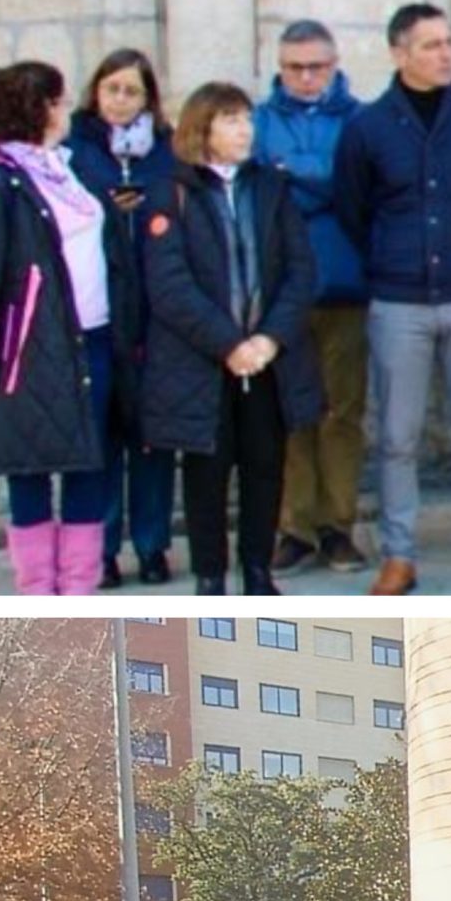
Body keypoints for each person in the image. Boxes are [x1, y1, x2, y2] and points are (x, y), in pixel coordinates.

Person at [331, 2, 451, 597]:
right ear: (398, 53)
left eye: (448, 42)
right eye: (430, 45)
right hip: (399, 301)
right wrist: (394, 259)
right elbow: (353, 210)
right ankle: (400, 554)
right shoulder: (367, 127)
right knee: (396, 435)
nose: (445, 54)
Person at [0, 63, 115, 595]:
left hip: (93, 335)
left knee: (89, 458)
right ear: (36, 109)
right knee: (30, 466)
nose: (66, 111)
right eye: (58, 102)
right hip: (30, 346)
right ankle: (38, 590)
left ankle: (80, 586)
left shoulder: (63, 166)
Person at [141, 83, 323, 596]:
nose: (244, 129)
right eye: (230, 120)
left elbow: (300, 270)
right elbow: (170, 284)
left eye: (246, 118)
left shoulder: (270, 187)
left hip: (267, 359)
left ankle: (258, 570)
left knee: (265, 465)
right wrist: (229, 343)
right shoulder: (170, 191)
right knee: (206, 471)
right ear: (202, 129)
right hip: (203, 362)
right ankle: (210, 575)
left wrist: (268, 340)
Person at [62, 49, 180, 589]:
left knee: (152, 437)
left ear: (148, 99)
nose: (120, 100)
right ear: (95, 93)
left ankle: (153, 545)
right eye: (112, 88)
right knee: (102, 436)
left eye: (132, 91)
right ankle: (101, 549)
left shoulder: (166, 153)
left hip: (157, 313)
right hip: (99, 313)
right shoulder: (74, 153)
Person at [256, 21, 371, 575]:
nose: (305, 77)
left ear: (335, 64)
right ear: (279, 67)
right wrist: (318, 181)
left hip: (347, 282)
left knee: (343, 412)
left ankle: (338, 526)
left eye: (316, 67)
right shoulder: (258, 121)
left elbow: (351, 184)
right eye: (294, 67)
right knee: (293, 413)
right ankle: (296, 526)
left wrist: (295, 173)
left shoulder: (360, 119)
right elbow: (260, 191)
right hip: (283, 291)